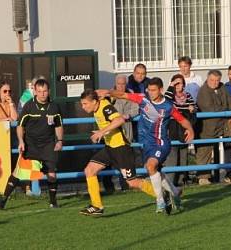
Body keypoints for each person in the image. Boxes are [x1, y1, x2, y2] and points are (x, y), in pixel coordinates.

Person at [98, 78, 194, 214]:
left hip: (161, 143)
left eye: (154, 90)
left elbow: (182, 120)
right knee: (154, 170)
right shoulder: (143, 100)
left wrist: (190, 129)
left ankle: (160, 201)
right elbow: (123, 95)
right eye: (149, 90)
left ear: (161, 90)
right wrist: (108, 92)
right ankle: (175, 191)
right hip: (147, 144)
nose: (151, 92)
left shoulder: (167, 106)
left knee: (150, 167)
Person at [78, 89, 175, 216]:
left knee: (132, 182)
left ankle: (161, 194)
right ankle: (97, 206)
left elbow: (119, 120)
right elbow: (109, 96)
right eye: (82, 104)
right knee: (89, 170)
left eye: (85, 103)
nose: (83, 106)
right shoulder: (99, 105)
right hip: (109, 148)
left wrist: (101, 132)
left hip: (121, 149)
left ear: (95, 102)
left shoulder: (105, 108)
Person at [7, 79, 63, 209]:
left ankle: (53, 202)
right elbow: (20, 126)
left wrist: (60, 141)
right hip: (31, 145)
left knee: (52, 175)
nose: (42, 94)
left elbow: (58, 125)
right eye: (39, 91)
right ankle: (2, 201)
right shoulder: (29, 106)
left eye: (45, 91)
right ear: (35, 92)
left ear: (49, 91)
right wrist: (21, 141)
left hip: (48, 145)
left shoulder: (54, 107)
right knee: (18, 173)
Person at [196, 70, 231, 185]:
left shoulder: (223, 88)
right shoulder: (203, 91)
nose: (215, 83)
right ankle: (203, 177)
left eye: (217, 80)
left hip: (224, 123)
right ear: (207, 79)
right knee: (204, 149)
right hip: (207, 126)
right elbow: (210, 109)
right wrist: (227, 113)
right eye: (212, 80)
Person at [164, 74, 196, 186]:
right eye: (176, 83)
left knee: (183, 155)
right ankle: (170, 181)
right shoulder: (170, 96)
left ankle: (181, 179)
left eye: (180, 83)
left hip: (184, 128)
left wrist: (191, 108)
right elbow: (165, 102)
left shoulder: (188, 95)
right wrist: (171, 85)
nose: (178, 85)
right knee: (172, 155)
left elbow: (193, 107)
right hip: (172, 128)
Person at [112, 75, 139, 143]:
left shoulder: (131, 94)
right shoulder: (109, 95)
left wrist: (127, 115)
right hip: (114, 128)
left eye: (123, 84)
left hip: (127, 127)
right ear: (115, 83)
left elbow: (136, 109)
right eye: (118, 84)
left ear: (126, 84)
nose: (120, 86)